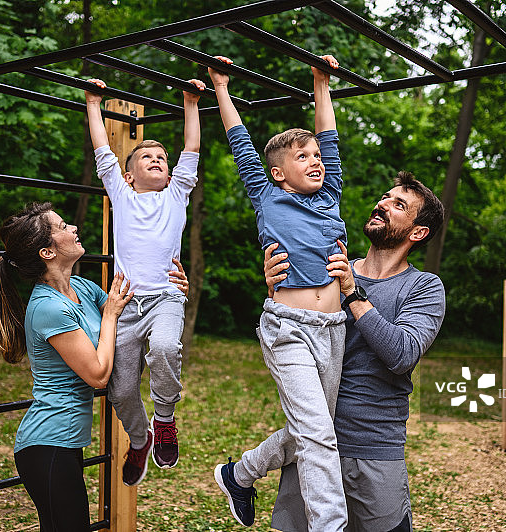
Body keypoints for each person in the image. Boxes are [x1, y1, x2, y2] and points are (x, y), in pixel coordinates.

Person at [208, 55, 349, 531]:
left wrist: (321, 83)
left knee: (313, 429)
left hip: (333, 329)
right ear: (278, 173)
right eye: (302, 157)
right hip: (288, 329)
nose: (315, 161)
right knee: (319, 437)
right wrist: (221, 87)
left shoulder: (329, 196)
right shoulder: (266, 195)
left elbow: (329, 135)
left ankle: (240, 474)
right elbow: (240, 142)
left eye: (317, 156)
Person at [265, 171, 446, 532]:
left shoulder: (423, 287)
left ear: (418, 232)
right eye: (385, 196)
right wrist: (276, 290)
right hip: (313, 443)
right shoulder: (327, 269)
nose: (383, 204)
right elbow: (289, 335)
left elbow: (402, 354)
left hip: (374, 448)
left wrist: (352, 292)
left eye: (399, 204)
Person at [0, 202, 134, 531]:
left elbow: (131, 315)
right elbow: (98, 374)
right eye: (63, 227)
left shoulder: (82, 288)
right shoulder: (48, 308)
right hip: (47, 446)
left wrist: (172, 292)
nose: (74, 228)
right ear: (47, 253)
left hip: (65, 443)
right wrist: (109, 315)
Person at [84, 76, 204, 485]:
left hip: (166, 296)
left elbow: (192, 149)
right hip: (125, 303)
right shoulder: (121, 195)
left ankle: (164, 418)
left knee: (167, 347)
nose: (157, 160)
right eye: (146, 156)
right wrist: (93, 103)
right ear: (129, 175)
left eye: (162, 158)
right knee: (119, 391)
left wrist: (191, 103)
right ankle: (140, 439)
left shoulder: (176, 195)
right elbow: (103, 153)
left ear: (170, 175)